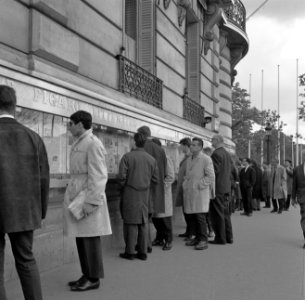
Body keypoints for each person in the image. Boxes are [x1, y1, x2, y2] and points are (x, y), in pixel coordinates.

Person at [0, 85, 50, 300]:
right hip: (24, 210)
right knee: (26, 260)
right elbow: (43, 179)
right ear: (14, 105)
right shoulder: (33, 137)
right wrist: (40, 212)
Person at [64, 110, 112, 292]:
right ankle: (86, 274)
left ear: (80, 124)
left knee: (90, 238)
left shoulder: (93, 144)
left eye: (71, 123)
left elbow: (99, 176)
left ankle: (93, 278)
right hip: (79, 195)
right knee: (82, 238)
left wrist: (91, 202)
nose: (69, 127)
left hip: (88, 197)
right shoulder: (81, 142)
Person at [118, 133, 159, 260]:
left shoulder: (127, 157)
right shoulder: (151, 159)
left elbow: (121, 177)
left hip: (130, 193)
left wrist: (125, 185)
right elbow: (156, 179)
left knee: (130, 222)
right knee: (143, 222)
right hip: (145, 194)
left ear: (134, 142)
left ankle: (130, 252)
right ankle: (143, 252)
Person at [137, 126, 167, 252]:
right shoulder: (160, 149)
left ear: (141, 135)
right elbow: (164, 170)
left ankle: (145, 244)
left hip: (145, 188)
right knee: (154, 215)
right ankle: (161, 239)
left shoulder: (142, 148)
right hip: (158, 187)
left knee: (144, 217)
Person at [183, 138, 215, 250]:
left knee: (200, 216)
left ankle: (203, 240)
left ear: (200, 147)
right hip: (190, 191)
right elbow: (188, 175)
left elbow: (211, 176)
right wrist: (185, 184)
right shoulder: (189, 159)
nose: (191, 146)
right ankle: (197, 237)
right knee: (193, 216)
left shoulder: (206, 159)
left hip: (200, 192)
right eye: (191, 145)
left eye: (194, 145)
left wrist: (199, 185)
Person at [151, 138, 175, 251]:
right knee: (156, 218)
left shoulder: (166, 157)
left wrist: (162, 186)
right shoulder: (153, 157)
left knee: (165, 219)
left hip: (163, 192)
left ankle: (169, 240)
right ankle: (159, 237)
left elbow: (170, 176)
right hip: (154, 192)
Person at [210, 134, 233, 245]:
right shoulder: (227, 154)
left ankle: (220, 238)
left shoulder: (216, 154)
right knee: (225, 213)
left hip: (218, 188)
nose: (211, 142)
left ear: (217, 140)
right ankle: (229, 237)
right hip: (226, 187)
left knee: (217, 214)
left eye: (212, 140)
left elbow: (214, 172)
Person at [176, 138, 193, 240]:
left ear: (186, 146)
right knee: (185, 210)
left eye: (181, 145)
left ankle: (191, 232)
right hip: (184, 187)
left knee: (189, 211)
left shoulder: (190, 158)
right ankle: (188, 231)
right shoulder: (186, 157)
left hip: (187, 188)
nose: (180, 147)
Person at [292, 150, 305, 248]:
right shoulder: (297, 169)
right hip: (302, 197)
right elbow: (294, 184)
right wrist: (293, 197)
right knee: (304, 218)